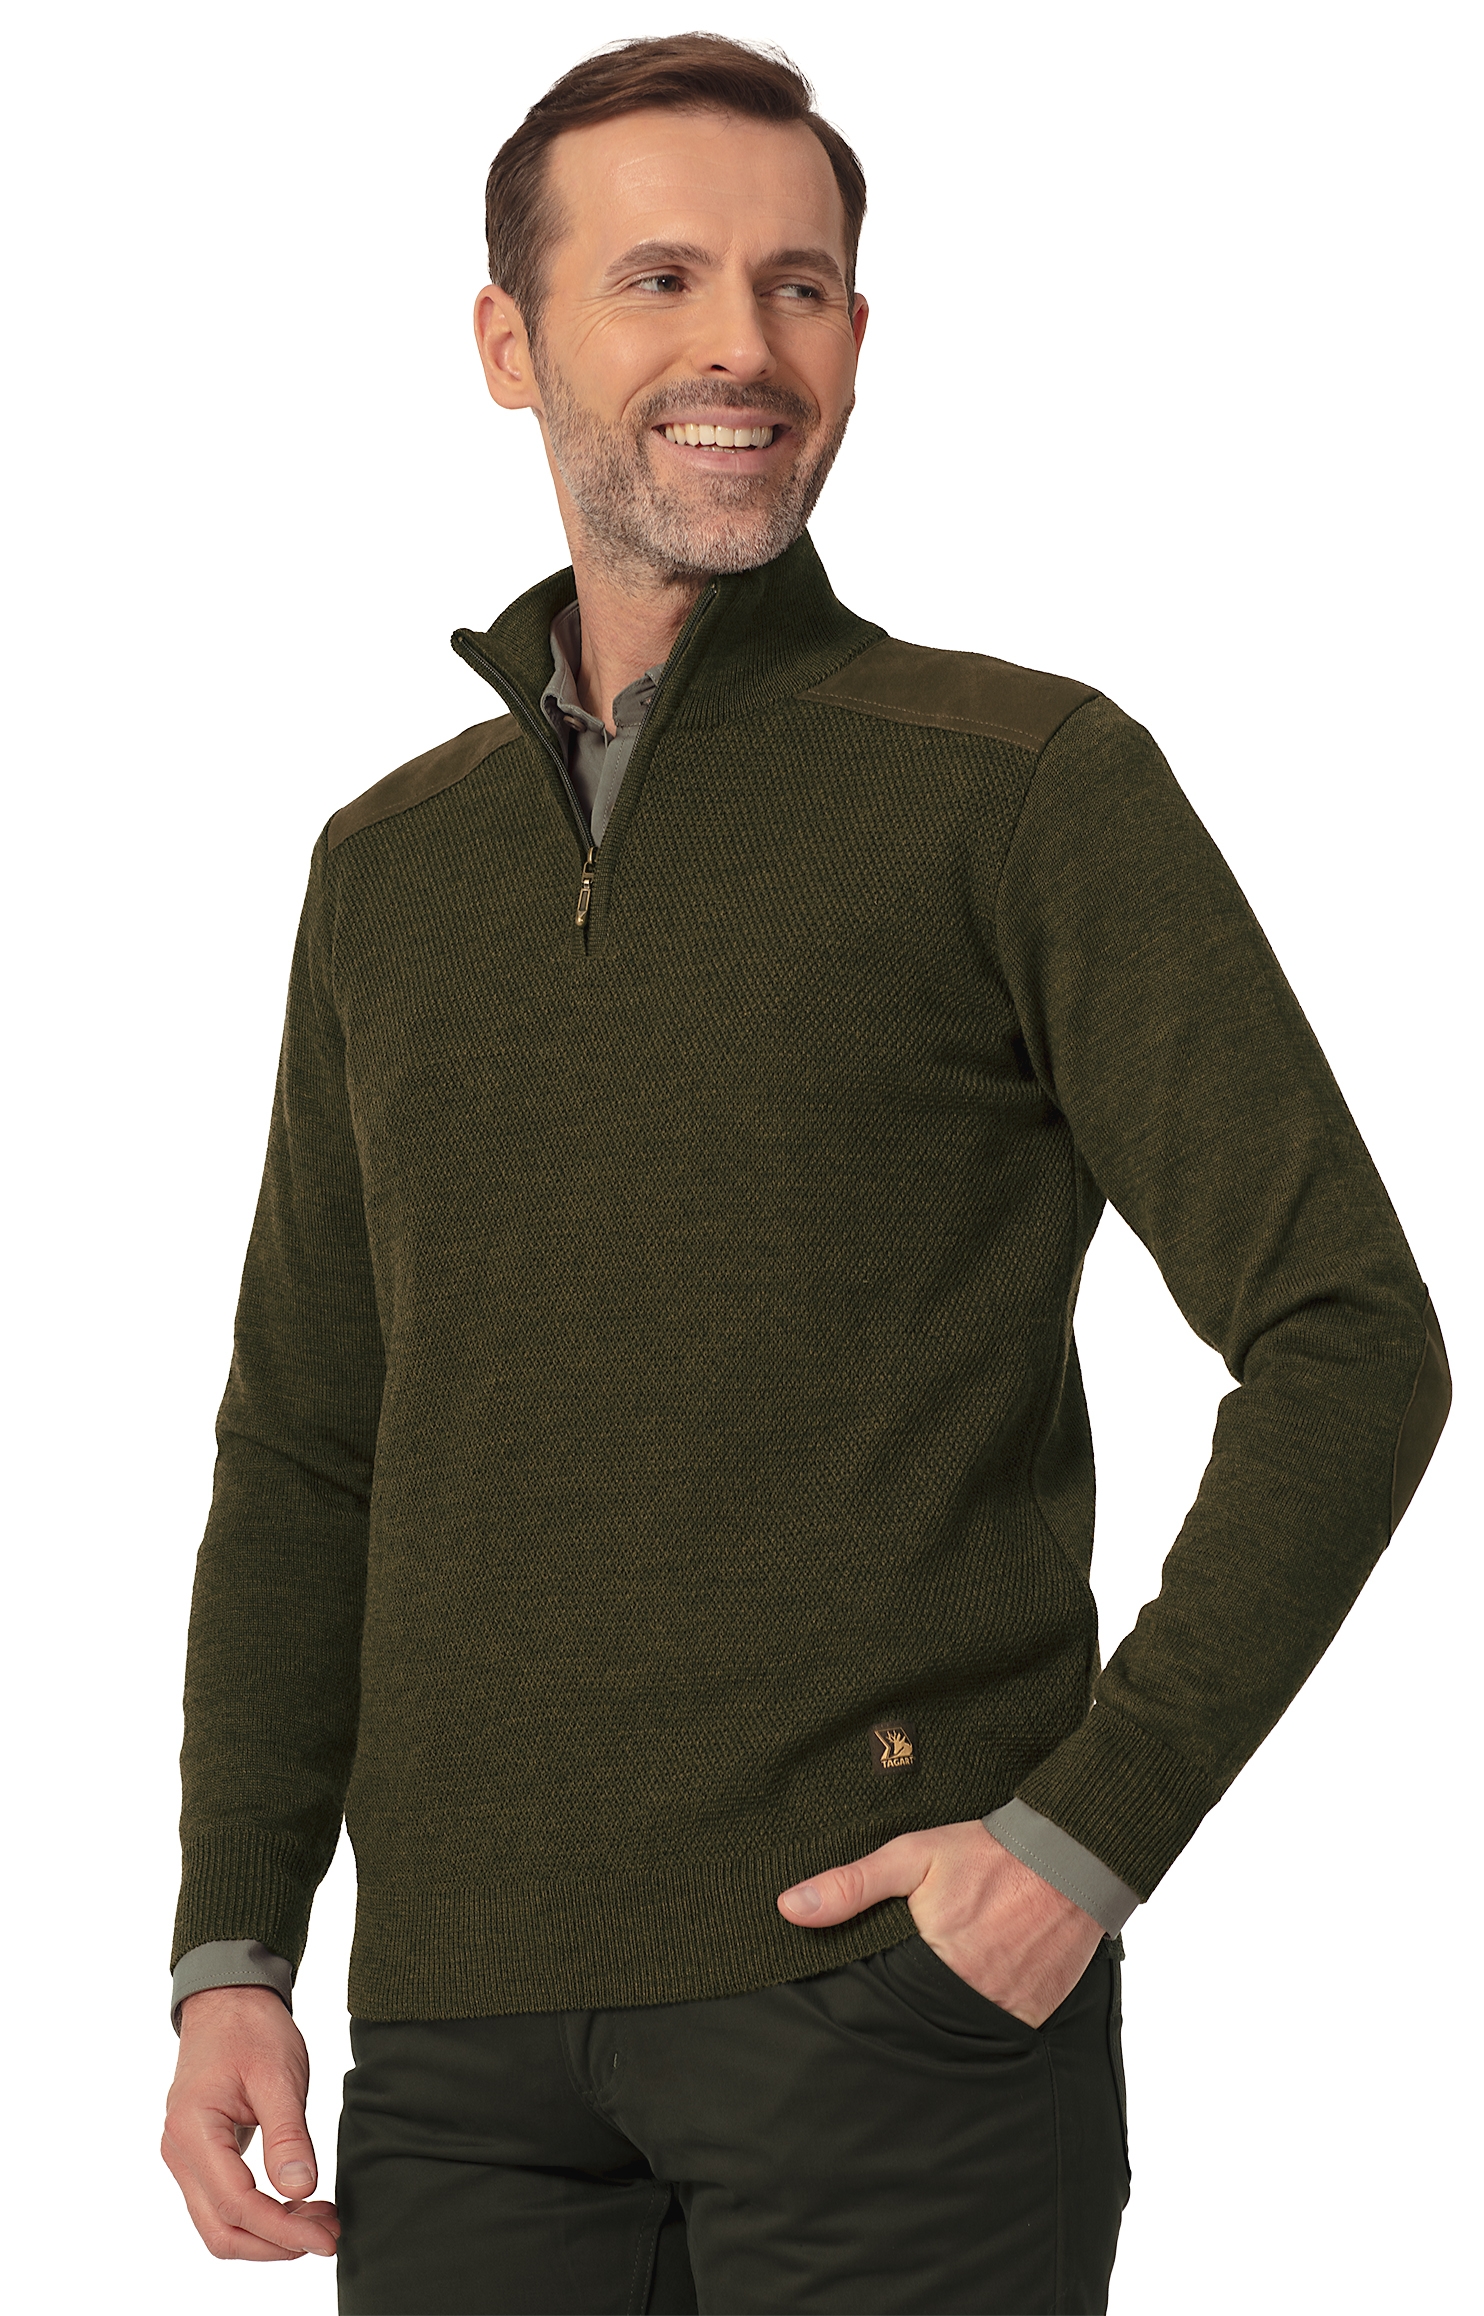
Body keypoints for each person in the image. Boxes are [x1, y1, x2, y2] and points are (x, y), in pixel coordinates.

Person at [160, 33, 1450, 2316]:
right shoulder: (390, 870)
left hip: (889, 2019)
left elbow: (1349, 1341)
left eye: (802, 286)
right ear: (509, 343)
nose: (742, 348)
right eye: (658, 279)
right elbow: (306, 1447)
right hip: (456, 2048)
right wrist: (234, 1944)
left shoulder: (1017, 781)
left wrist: (1081, 1844)